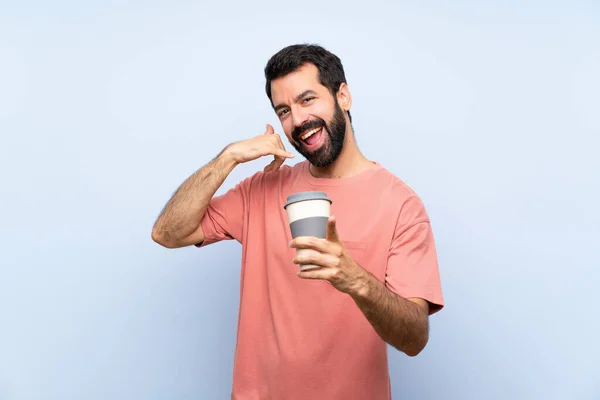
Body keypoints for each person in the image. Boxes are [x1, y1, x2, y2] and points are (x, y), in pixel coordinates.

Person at [152, 44, 444, 400]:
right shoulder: (262, 189)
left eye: (308, 100)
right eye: (284, 110)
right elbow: (167, 232)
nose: (298, 120)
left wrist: (356, 281)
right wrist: (228, 158)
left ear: (344, 96)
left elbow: (415, 338)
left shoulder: (402, 205)